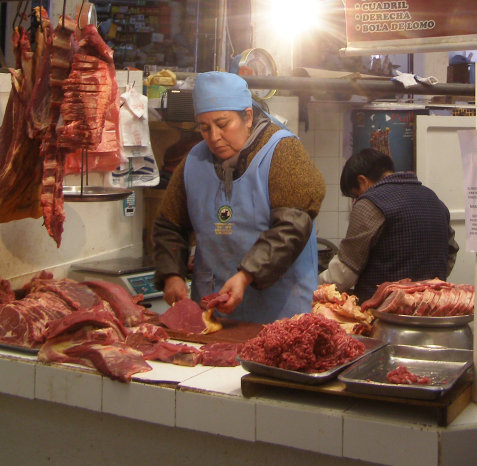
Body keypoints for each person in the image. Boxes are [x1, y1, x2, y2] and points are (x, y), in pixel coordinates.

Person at [152, 71, 325, 323]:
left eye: (223, 125)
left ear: (248, 116)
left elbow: (292, 226)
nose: (214, 137)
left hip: (281, 313)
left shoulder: (283, 151)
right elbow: (169, 226)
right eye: (204, 128)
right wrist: (171, 274)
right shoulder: (193, 161)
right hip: (215, 315)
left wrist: (246, 276)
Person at [319, 148, 459, 303]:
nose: (356, 201)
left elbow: (346, 269)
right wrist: (425, 286)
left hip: (384, 317)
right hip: (432, 311)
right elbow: (451, 250)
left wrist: (316, 287)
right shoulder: (433, 199)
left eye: (355, 195)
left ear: (362, 181)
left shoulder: (370, 203)